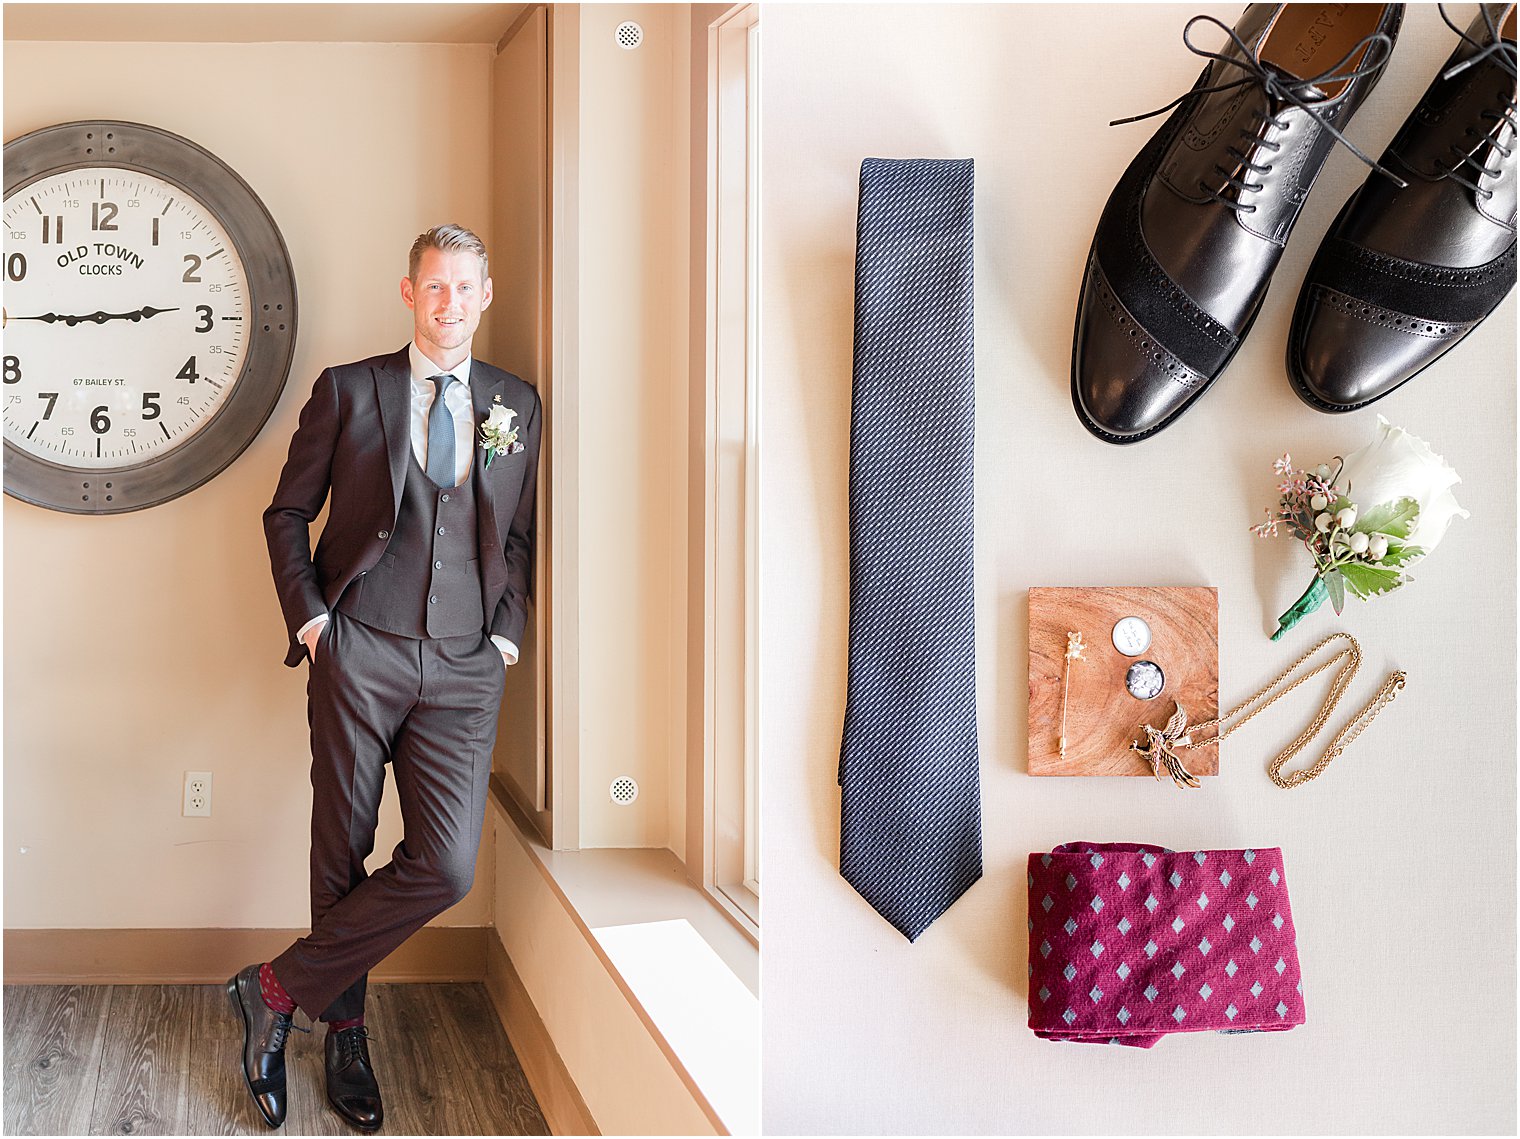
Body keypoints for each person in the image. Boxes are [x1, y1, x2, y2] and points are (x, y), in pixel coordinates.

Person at [229, 223, 541, 1131]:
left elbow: (515, 539)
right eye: (433, 287)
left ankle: (276, 989)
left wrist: (506, 641)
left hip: (463, 664)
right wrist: (317, 622)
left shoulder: (514, 402)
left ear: (488, 294)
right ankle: (348, 1032)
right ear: (410, 293)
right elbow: (287, 512)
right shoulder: (350, 390)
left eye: (465, 288)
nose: (449, 304)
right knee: (343, 842)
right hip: (358, 646)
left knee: (444, 864)